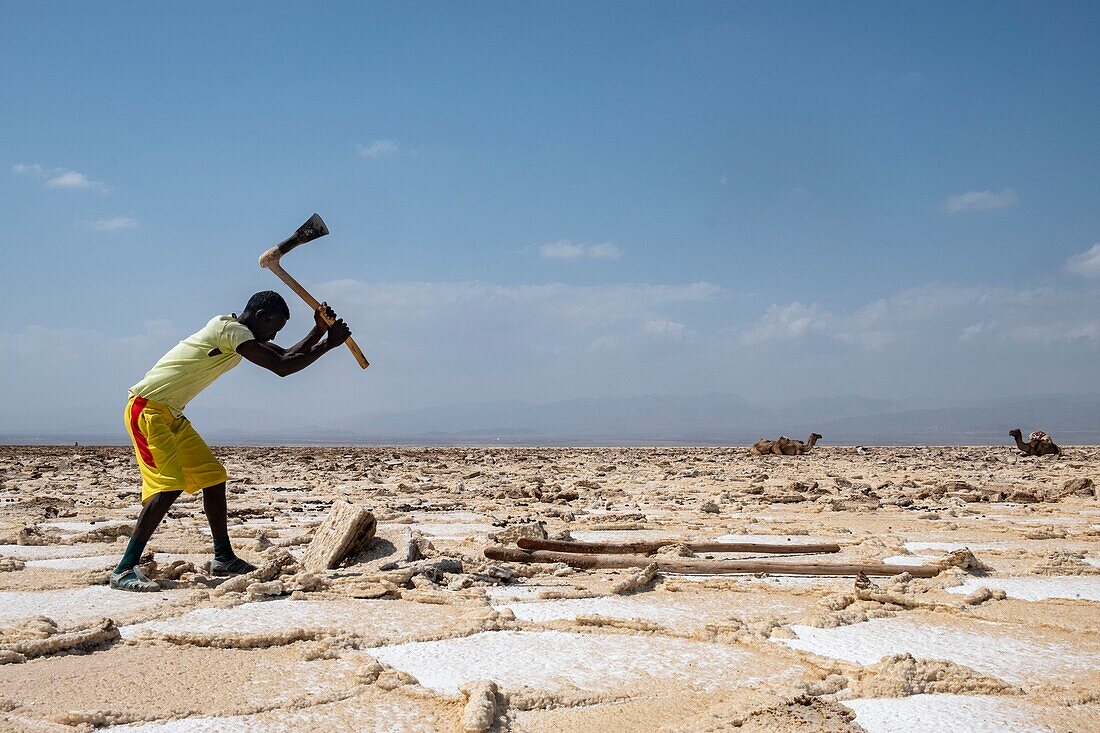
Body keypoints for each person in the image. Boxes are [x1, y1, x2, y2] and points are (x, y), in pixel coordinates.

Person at [110, 291, 351, 591]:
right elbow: (282, 366)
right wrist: (328, 343)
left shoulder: (236, 335)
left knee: (213, 477)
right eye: (273, 327)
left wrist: (318, 330)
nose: (274, 334)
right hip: (147, 409)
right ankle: (124, 569)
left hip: (171, 414)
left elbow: (285, 355)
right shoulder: (228, 330)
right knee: (168, 486)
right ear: (260, 316)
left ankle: (223, 557)